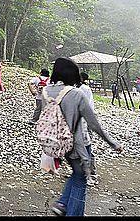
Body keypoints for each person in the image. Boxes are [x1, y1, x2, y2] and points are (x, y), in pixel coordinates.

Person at [46, 57, 123, 217]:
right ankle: (72, 212)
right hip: (78, 145)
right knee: (81, 180)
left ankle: (62, 204)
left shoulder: (46, 91)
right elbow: (94, 124)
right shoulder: (77, 94)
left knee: (77, 173)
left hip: (58, 143)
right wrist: (113, 143)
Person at [77, 72, 98, 186]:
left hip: (86, 120)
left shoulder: (85, 89)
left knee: (87, 146)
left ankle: (92, 173)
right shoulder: (75, 88)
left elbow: (88, 105)